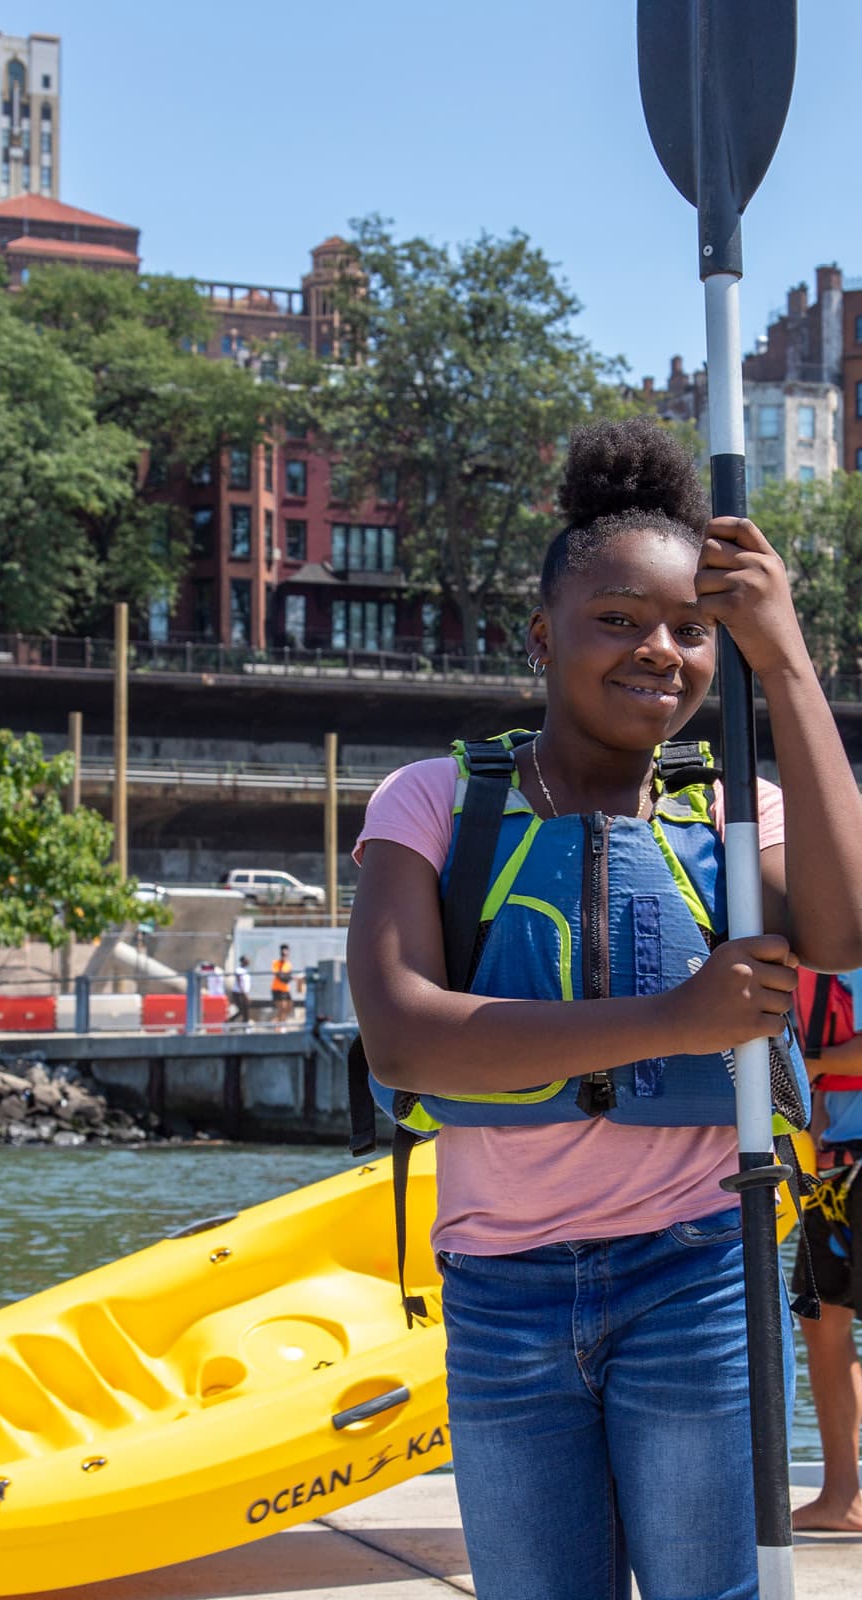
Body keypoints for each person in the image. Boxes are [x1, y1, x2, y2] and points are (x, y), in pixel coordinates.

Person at [347, 415, 862, 1600]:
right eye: (620, 622)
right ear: (543, 635)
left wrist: (784, 661)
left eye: (693, 629)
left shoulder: (731, 808)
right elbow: (406, 1033)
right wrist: (675, 1019)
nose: (662, 653)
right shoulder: (432, 801)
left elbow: (841, 932)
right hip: (500, 1286)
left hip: (695, 1273)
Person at [791, 968, 862, 1534]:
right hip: (832, 1167)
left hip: (850, 1166)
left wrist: (809, 1066)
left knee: (828, 1324)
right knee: (823, 1324)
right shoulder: (817, 950)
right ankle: (843, 1495)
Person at [271, 943, 294, 1025]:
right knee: (282, 1008)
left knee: (289, 1007)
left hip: (285, 989)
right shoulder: (276, 963)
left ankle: (278, 1021)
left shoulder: (288, 964)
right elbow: (278, 975)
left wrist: (285, 977)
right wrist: (285, 976)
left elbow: (288, 977)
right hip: (277, 988)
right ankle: (280, 1025)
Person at [230, 954, 251, 1025]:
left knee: (246, 1009)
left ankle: (246, 1026)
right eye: (246, 960)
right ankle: (229, 1021)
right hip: (238, 993)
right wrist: (245, 994)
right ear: (243, 961)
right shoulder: (239, 970)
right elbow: (239, 983)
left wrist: (246, 994)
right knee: (242, 1010)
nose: (248, 961)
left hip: (244, 993)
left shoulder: (246, 970)